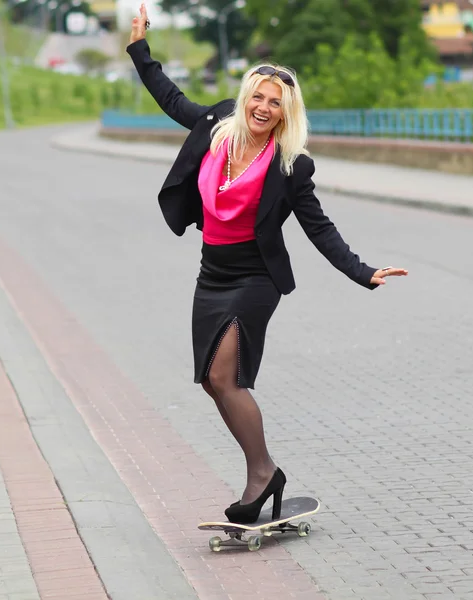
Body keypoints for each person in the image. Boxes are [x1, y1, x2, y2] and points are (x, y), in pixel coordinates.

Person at [127, 4, 408, 524]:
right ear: (245, 98)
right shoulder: (217, 127)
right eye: (257, 96)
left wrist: (363, 271)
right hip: (212, 274)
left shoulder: (290, 164)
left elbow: (317, 226)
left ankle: (262, 475)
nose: (262, 107)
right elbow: (171, 99)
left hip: (256, 278)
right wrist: (139, 49)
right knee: (213, 382)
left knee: (223, 374)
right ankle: (266, 474)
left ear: (285, 112)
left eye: (274, 103)